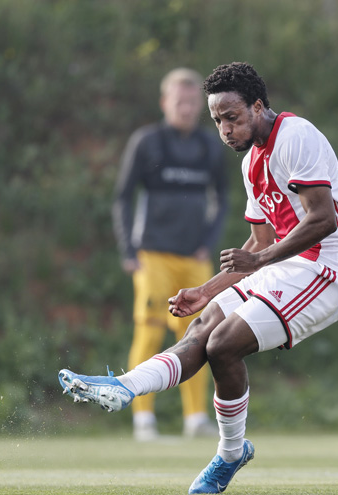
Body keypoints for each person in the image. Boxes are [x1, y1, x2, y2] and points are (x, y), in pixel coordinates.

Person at [60, 61, 338, 494]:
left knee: (224, 344)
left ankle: (228, 454)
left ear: (258, 106)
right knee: (203, 327)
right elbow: (259, 241)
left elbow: (322, 220)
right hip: (289, 263)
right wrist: (206, 291)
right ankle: (125, 387)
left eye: (232, 117)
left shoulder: (296, 136)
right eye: (218, 121)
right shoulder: (251, 164)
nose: (225, 129)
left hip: (331, 267)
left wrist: (260, 261)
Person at [112, 67, 228, 441]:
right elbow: (123, 197)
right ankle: (143, 419)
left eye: (193, 102)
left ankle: (195, 418)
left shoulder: (210, 145)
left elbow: (223, 199)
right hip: (153, 256)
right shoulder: (146, 142)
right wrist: (128, 249)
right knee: (149, 332)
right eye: (180, 101)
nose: (187, 108)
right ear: (165, 102)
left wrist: (208, 242)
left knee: (200, 337)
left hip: (195, 260)